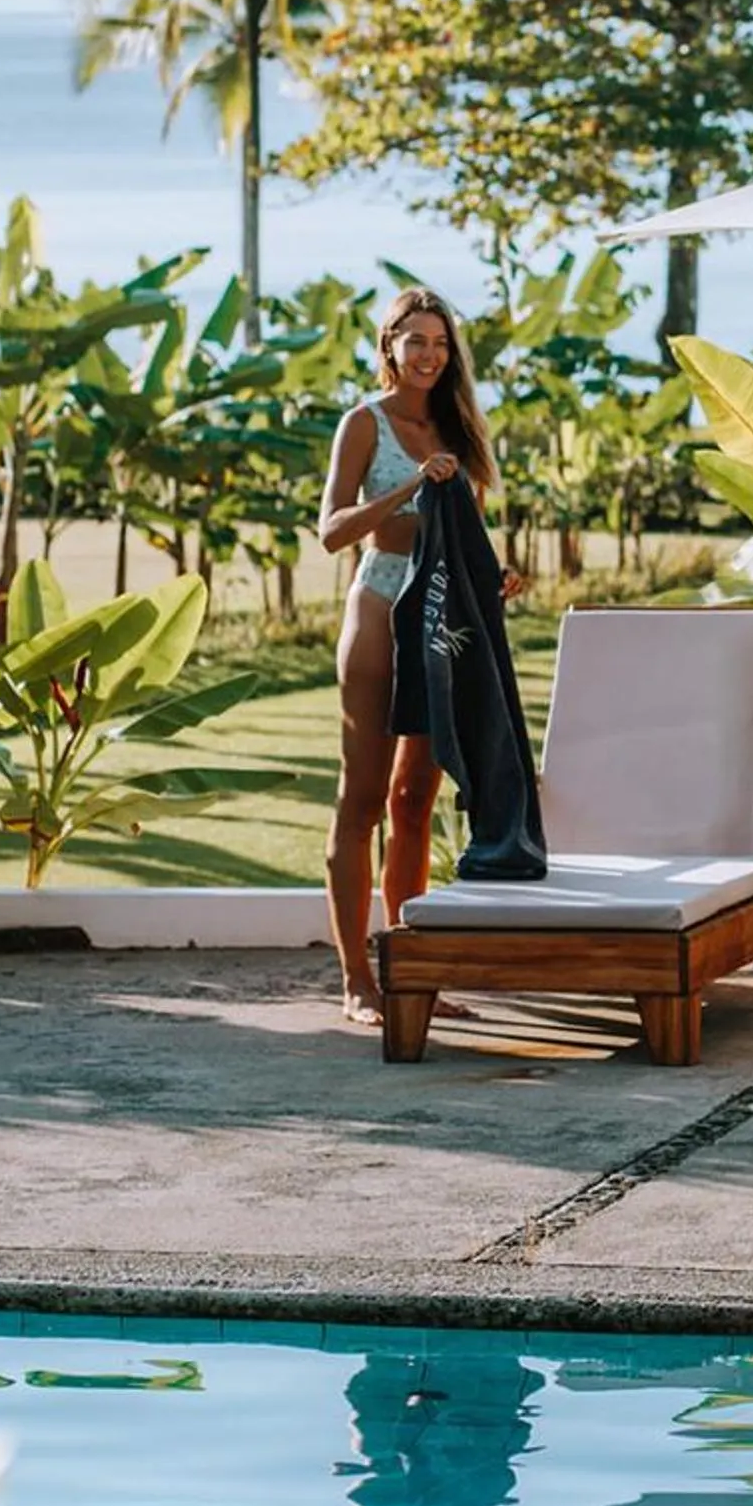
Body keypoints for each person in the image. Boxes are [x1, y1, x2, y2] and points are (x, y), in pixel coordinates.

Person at [318, 286, 506, 1027]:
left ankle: (411, 968)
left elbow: (467, 535)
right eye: (415, 341)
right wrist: (406, 488)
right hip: (380, 610)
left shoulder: (459, 427)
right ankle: (356, 980)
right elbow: (333, 530)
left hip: (444, 619)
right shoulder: (363, 423)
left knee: (414, 803)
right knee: (361, 801)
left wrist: (497, 577)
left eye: (440, 343)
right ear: (389, 343)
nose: (429, 355)